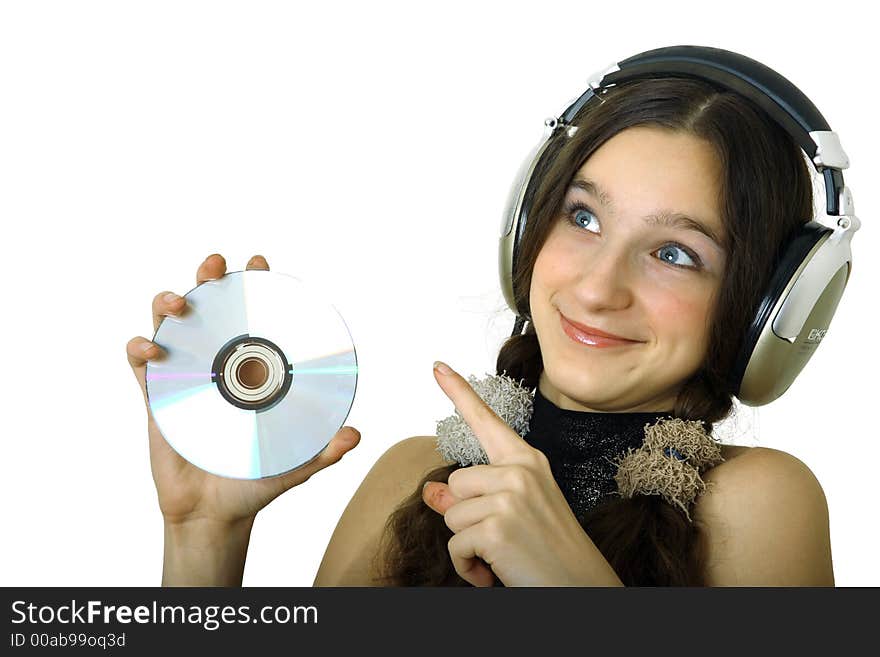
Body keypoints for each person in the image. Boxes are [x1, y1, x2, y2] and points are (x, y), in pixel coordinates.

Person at [126, 74, 835, 587]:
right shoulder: (408, 475)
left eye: (674, 254)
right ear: (528, 229)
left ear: (761, 308)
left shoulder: (761, 503)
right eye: (583, 217)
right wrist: (201, 539)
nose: (595, 286)